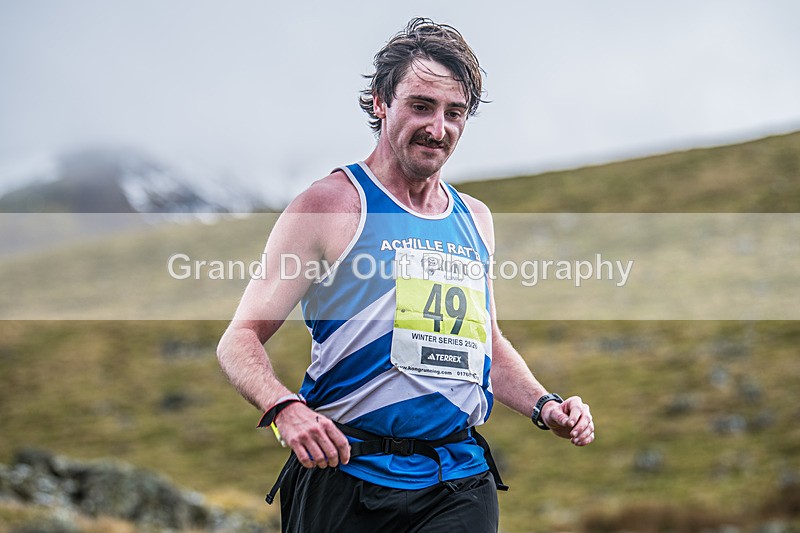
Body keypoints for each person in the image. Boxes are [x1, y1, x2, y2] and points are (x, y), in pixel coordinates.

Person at [217, 17, 595, 533]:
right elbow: (239, 337)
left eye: (454, 113)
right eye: (421, 106)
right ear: (380, 102)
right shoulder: (331, 206)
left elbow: (487, 343)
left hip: (457, 480)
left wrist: (545, 405)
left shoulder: (474, 219)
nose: (438, 129)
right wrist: (285, 408)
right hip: (346, 473)